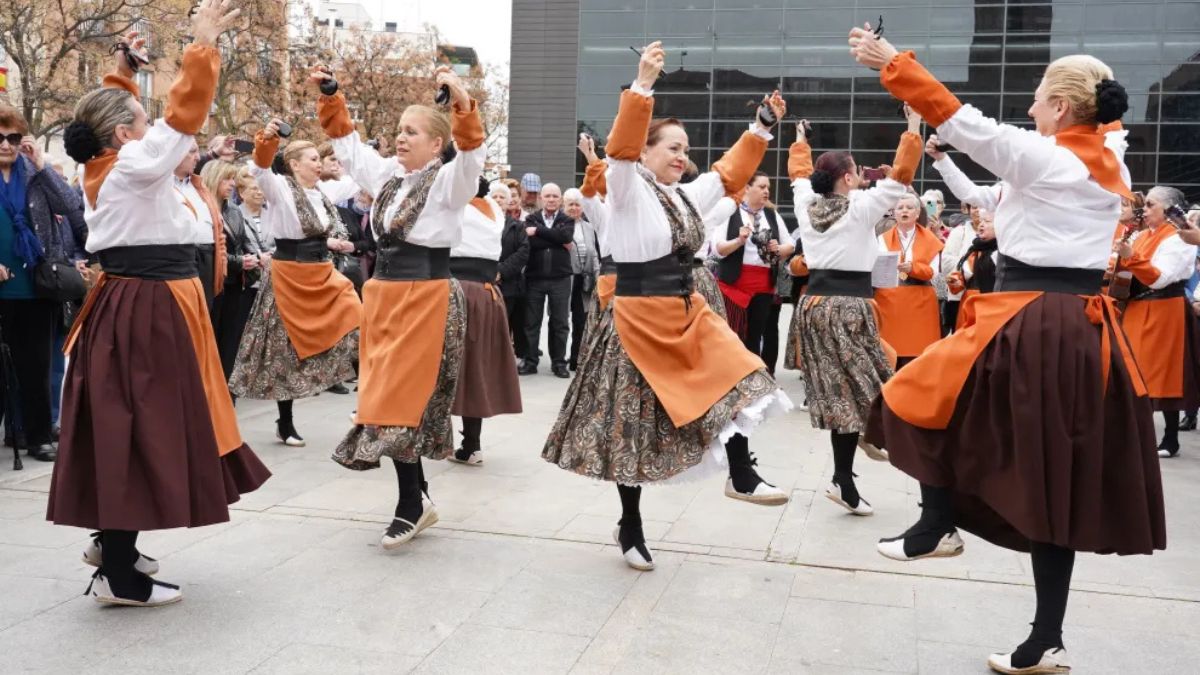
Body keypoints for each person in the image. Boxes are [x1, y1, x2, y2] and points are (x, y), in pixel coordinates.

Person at [852, 26, 1165, 674]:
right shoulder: (1101, 162)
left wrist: (893, 63)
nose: (1029, 108)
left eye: (1039, 99)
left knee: (913, 393)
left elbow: (968, 123)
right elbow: (987, 192)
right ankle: (1041, 633)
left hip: (1034, 319)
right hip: (1072, 326)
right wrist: (940, 155)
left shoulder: (1052, 159)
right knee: (1051, 479)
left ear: (1064, 107)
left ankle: (938, 522)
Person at [49, 5, 270, 608]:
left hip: (146, 301)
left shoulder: (114, 162)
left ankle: (113, 549)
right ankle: (118, 570)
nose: (155, 132)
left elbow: (141, 123)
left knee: (132, 422)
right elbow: (179, 120)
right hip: (148, 306)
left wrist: (122, 74)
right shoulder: (129, 166)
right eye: (142, 124)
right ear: (124, 135)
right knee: (143, 424)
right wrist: (201, 46)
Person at [543, 42, 793, 571]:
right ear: (646, 152)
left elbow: (726, 176)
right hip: (637, 321)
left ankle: (741, 472)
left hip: (686, 310)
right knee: (630, 427)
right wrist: (642, 87)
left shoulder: (684, 195)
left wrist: (762, 127)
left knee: (742, 372)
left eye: (685, 149)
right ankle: (630, 523)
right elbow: (620, 154)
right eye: (672, 147)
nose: (681, 156)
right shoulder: (627, 188)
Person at [316, 62, 485, 550]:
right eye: (399, 130)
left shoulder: (450, 181)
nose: (400, 138)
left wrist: (462, 102)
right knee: (382, 398)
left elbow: (471, 155)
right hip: (384, 295)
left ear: (436, 144)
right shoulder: (391, 175)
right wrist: (331, 94)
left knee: (398, 400)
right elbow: (349, 148)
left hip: (425, 297)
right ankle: (418, 497)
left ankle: (411, 503)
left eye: (412, 132)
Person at [785, 112, 920, 517]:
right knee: (875, 384)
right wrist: (913, 126)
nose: (861, 175)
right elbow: (902, 174)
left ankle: (845, 476)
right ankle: (866, 443)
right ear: (846, 178)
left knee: (842, 393)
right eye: (856, 171)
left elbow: (798, 175)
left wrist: (800, 139)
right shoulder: (860, 207)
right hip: (848, 307)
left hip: (814, 306)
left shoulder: (806, 203)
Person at [228, 125, 362, 447]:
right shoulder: (280, 189)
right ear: (295, 164)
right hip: (289, 275)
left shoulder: (324, 192)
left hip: (322, 273)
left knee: (360, 322)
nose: (319, 164)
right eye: (313, 159)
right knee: (284, 350)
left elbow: (362, 177)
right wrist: (268, 139)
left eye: (319, 159)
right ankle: (285, 422)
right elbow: (261, 169)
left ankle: (367, 404)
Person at [0, 105, 88, 463]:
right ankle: (12, 430)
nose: (6, 144)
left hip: (35, 285)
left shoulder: (33, 174)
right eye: (0, 137)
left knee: (35, 366)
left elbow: (70, 205)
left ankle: (37, 436)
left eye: (13, 137)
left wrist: (41, 165)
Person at [1115, 186, 1200, 458]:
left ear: (1169, 209)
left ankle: (1170, 438)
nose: (1145, 209)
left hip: (1164, 308)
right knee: (1133, 372)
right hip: (1137, 307)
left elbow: (1160, 278)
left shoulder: (1178, 237)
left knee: (1162, 374)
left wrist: (1129, 257)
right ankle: (1135, 435)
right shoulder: (1142, 235)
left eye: (1151, 204)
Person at [448, 177, 523, 466]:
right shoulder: (493, 209)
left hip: (456, 291)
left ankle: (445, 440)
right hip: (486, 293)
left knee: (446, 365)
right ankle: (472, 445)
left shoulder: (461, 208)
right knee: (476, 367)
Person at [709, 172, 796, 375]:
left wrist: (778, 249)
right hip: (734, 284)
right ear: (747, 188)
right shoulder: (731, 212)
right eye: (762, 187)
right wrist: (738, 241)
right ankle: (730, 377)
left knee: (755, 336)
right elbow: (718, 249)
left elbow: (790, 244)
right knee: (732, 334)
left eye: (768, 188)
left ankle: (753, 379)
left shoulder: (771, 215)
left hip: (763, 285)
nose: (767, 191)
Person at [875, 188, 943, 369]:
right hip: (889, 302)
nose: (904, 211)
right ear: (893, 213)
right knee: (889, 356)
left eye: (909, 208)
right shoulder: (882, 238)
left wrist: (913, 268)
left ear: (918, 213)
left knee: (918, 358)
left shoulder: (930, 239)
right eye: (900, 208)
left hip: (920, 302)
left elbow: (933, 272)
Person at [201, 160, 256, 382]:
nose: (232, 183)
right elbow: (209, 250)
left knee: (230, 339)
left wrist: (255, 257)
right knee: (211, 336)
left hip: (235, 282)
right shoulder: (202, 207)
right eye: (227, 178)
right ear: (214, 178)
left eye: (233, 179)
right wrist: (239, 261)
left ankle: (226, 389)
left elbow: (243, 241)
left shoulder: (233, 209)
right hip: (212, 281)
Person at [520, 182, 574, 378]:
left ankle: (559, 363)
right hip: (534, 278)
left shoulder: (567, 219)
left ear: (560, 200)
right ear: (541, 198)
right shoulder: (531, 218)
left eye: (555, 196)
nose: (551, 199)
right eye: (548, 196)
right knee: (531, 322)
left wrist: (538, 231)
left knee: (560, 322)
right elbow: (530, 243)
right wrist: (557, 239)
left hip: (560, 279)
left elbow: (565, 236)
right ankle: (530, 361)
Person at [172, 139, 225, 309]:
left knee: (204, 312)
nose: (197, 157)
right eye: (192, 152)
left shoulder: (199, 186)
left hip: (206, 258)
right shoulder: (160, 185)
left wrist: (221, 264)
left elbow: (217, 230)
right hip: (179, 260)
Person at [564, 187, 600, 371]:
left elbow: (594, 254)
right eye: (570, 204)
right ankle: (558, 359)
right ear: (564, 206)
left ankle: (576, 358)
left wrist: (597, 277)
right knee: (561, 320)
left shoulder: (589, 227)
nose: (574, 208)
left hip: (584, 279)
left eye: (577, 204)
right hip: (565, 278)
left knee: (580, 321)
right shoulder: (560, 225)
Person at [947, 210, 999, 330]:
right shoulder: (974, 250)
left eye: (987, 221)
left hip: (991, 305)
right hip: (968, 305)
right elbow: (961, 276)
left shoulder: (1002, 252)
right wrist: (956, 281)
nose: (981, 224)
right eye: (981, 221)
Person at [496, 182, 530, 362]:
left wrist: (501, 271)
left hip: (510, 284)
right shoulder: (481, 224)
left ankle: (511, 359)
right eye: (495, 196)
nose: (498, 200)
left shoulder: (517, 226)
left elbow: (523, 252)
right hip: (486, 281)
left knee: (509, 322)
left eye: (502, 197)